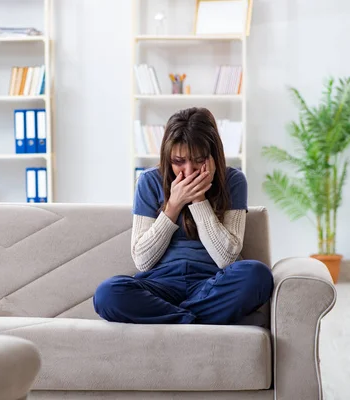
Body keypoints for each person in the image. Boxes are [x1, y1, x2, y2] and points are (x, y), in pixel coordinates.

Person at [93, 107, 274, 325]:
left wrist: (198, 200)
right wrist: (173, 205)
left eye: (199, 160)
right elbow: (142, 260)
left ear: (213, 156)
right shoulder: (149, 182)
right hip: (161, 284)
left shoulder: (233, 181)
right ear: (167, 157)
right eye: (179, 161)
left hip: (211, 282)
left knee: (257, 275)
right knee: (107, 294)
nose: (189, 171)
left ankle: (175, 320)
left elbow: (226, 259)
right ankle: (193, 321)